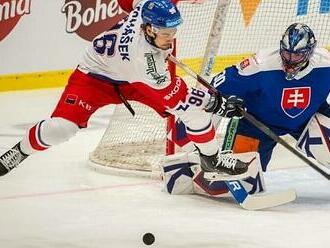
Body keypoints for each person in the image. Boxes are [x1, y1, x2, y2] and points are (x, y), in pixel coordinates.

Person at [0, 0, 247, 177]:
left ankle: (210, 158)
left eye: (173, 30)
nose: (171, 36)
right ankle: (19, 152)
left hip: (129, 77)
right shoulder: (146, 63)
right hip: (95, 78)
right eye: (166, 32)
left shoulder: (146, 7)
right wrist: (219, 103)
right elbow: (180, 96)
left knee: (191, 113)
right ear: (149, 29)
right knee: (60, 129)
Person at [211, 23, 330, 172]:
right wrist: (226, 101)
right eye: (287, 53)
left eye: (297, 55)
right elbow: (214, 88)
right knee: (243, 180)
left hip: (307, 120)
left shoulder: (325, 65)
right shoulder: (261, 64)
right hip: (257, 125)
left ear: (309, 52)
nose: (291, 59)